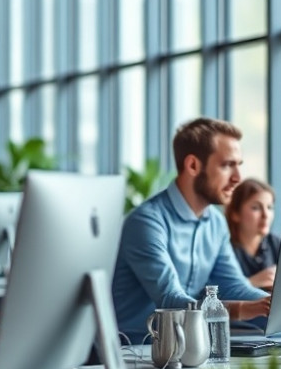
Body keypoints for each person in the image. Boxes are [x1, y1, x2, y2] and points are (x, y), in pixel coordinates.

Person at [111, 117, 271, 341]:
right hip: (138, 352)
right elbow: (170, 301)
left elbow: (234, 287)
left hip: (190, 348)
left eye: (238, 165)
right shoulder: (147, 222)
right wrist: (244, 309)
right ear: (193, 165)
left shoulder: (215, 223)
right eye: (227, 165)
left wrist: (279, 306)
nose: (237, 178)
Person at [225, 178, 280, 291]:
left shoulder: (275, 243)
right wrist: (251, 282)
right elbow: (213, 292)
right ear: (235, 214)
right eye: (256, 208)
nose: (266, 215)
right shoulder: (225, 249)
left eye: (269, 207)